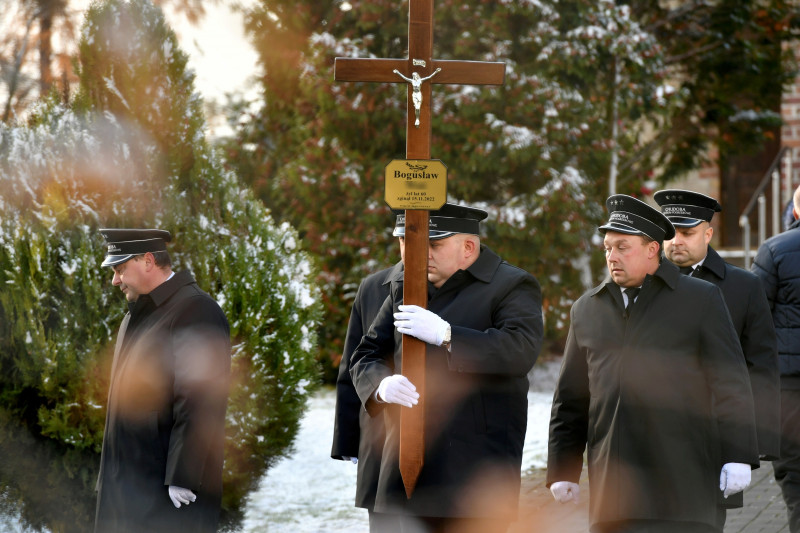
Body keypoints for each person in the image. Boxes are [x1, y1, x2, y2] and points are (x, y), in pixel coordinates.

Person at [548, 194, 759, 533]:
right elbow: (571, 397)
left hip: (684, 487)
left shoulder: (699, 299)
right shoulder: (587, 309)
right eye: (607, 248)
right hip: (615, 492)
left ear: (652, 249)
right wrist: (563, 469)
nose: (612, 257)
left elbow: (730, 380)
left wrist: (739, 454)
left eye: (622, 247)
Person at [349, 203, 544, 533]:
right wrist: (380, 386)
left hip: (473, 471)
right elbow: (365, 354)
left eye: (433, 245)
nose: (420, 254)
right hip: (403, 467)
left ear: (468, 247)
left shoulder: (512, 284)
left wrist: (449, 336)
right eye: (415, 244)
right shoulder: (406, 285)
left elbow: (520, 350)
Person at [655, 189, 780, 528]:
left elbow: (761, 365)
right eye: (669, 231)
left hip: (713, 438)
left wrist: (757, 444)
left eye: (687, 232)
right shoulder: (643, 283)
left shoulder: (743, 286)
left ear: (708, 234)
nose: (675, 241)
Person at [94, 229, 231, 533]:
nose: (115, 280)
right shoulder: (137, 314)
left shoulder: (195, 310)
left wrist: (183, 475)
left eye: (119, 269)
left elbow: (200, 400)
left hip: (167, 499)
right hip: (129, 494)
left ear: (148, 261)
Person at [331, 223, 405, 532]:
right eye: (403, 239)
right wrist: (349, 443)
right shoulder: (374, 287)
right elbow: (353, 363)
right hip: (380, 433)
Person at [751, 184, 800, 533]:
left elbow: (754, 322)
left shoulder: (774, 250)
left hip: (789, 389)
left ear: (794, 211)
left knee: (796, 479)